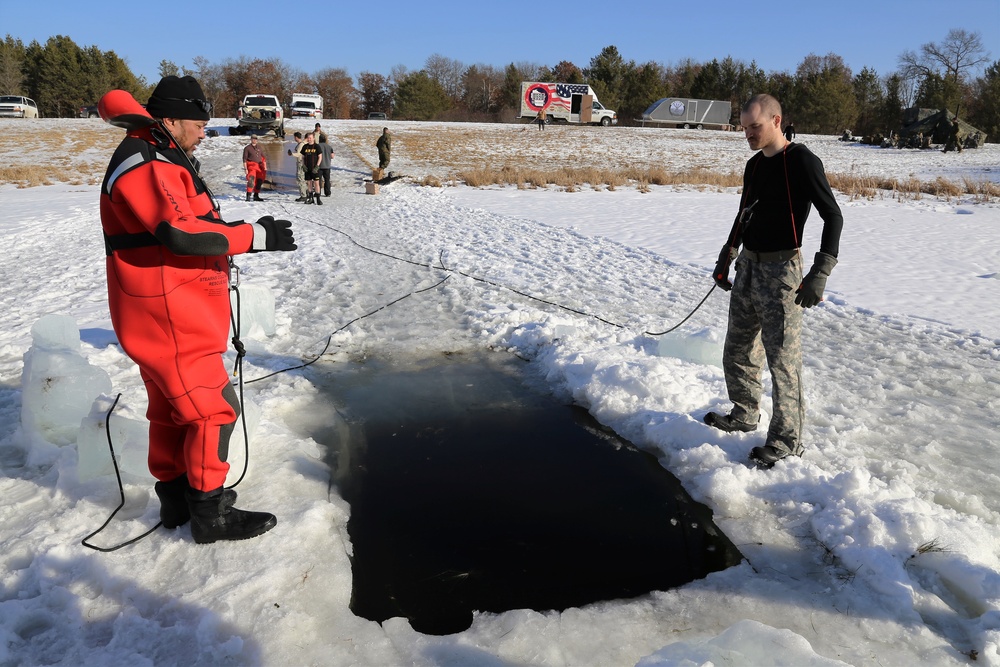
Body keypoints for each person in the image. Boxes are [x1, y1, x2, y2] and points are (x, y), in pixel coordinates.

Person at [99, 75, 297, 543]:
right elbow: (179, 232)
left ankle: (175, 501)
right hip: (169, 315)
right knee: (213, 411)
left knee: (171, 412)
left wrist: (234, 230)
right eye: (198, 122)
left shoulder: (158, 153)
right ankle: (211, 514)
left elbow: (193, 221)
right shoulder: (145, 160)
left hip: (166, 309)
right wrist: (254, 237)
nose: (205, 131)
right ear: (169, 119)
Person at [706, 93, 843, 469]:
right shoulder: (754, 165)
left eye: (755, 127)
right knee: (737, 349)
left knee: (782, 360)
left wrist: (821, 270)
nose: (748, 134)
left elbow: (833, 216)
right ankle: (745, 412)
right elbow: (743, 214)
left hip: (783, 270)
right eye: (744, 128)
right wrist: (727, 254)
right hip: (748, 266)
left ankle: (786, 441)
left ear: (776, 121)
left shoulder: (801, 161)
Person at [242, 135, 267, 201]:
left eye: (255, 139)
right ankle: (248, 196)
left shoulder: (259, 147)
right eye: (253, 139)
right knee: (251, 180)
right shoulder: (247, 148)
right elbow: (244, 159)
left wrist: (265, 167)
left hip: (259, 166)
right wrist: (245, 169)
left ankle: (256, 195)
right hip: (251, 166)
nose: (254, 140)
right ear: (251, 139)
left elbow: (263, 158)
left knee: (259, 180)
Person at [300, 132, 322, 204]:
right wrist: (303, 165)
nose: (309, 139)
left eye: (310, 138)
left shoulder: (317, 146)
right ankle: (311, 198)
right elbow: (302, 157)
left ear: (313, 138)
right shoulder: (305, 147)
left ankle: (318, 198)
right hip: (307, 168)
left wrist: (317, 166)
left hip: (315, 168)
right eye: (308, 138)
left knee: (316, 183)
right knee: (309, 183)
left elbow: (320, 157)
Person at [288, 131, 307, 202]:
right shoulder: (302, 144)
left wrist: (292, 154)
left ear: (296, 137)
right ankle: (305, 193)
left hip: (301, 163)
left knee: (300, 179)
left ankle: (303, 195)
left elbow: (299, 154)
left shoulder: (300, 145)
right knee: (302, 179)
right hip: (302, 163)